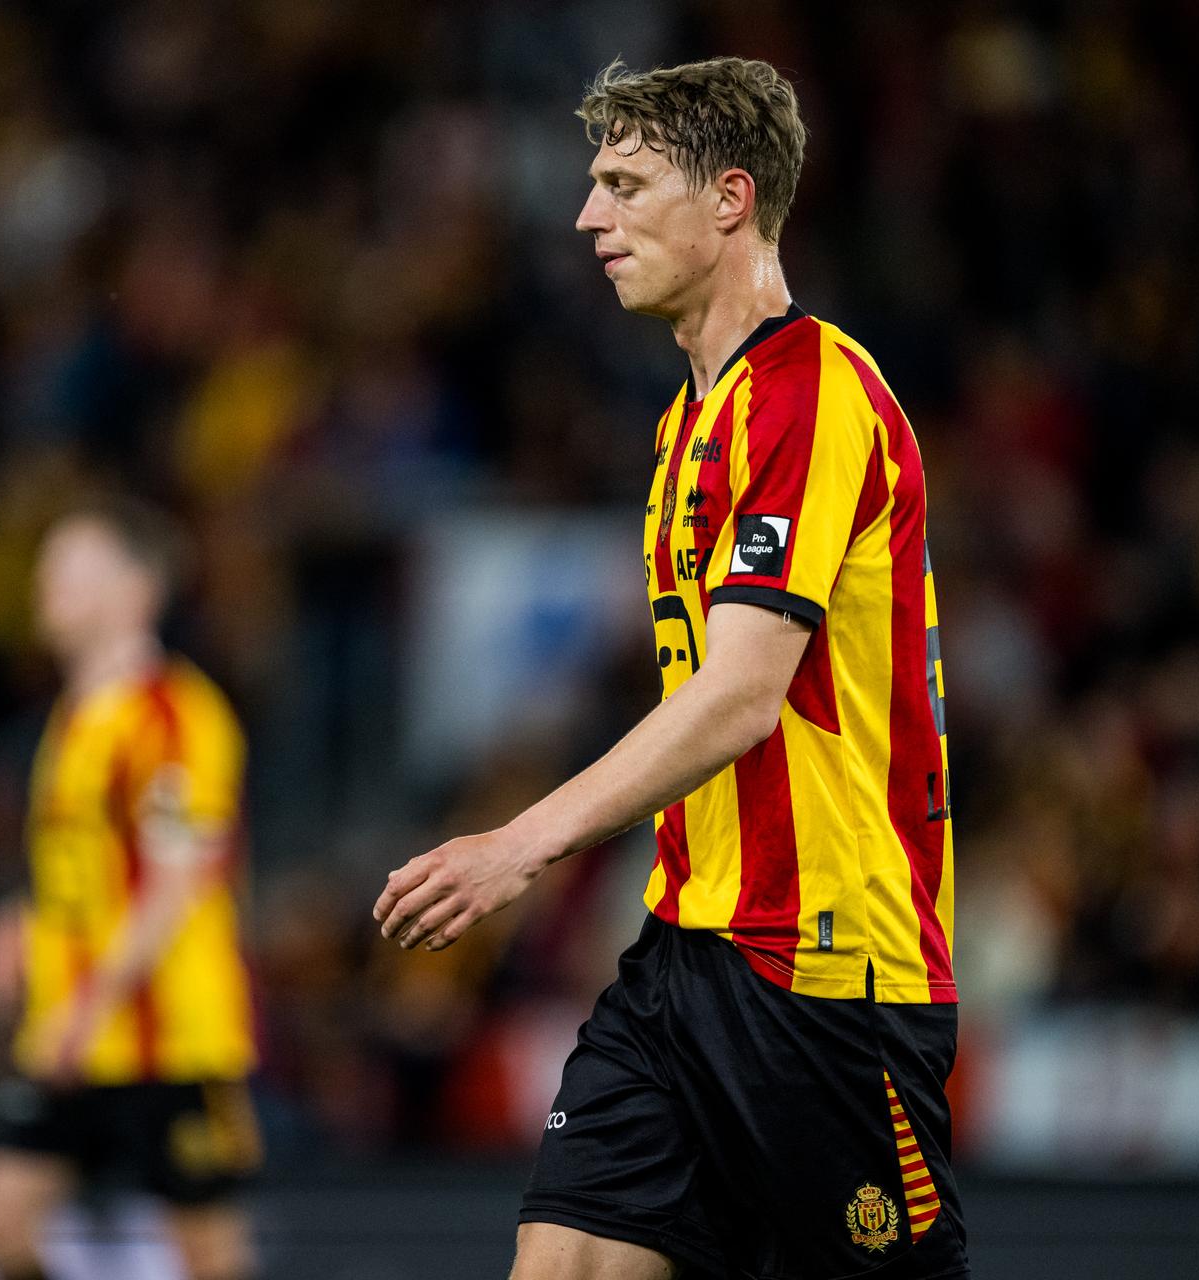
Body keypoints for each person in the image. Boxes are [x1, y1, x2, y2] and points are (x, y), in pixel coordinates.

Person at [375, 57, 967, 1279]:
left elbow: (743, 694)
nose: (589, 216)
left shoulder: (812, 393)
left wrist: (518, 845)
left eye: (626, 185)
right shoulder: (688, 421)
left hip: (825, 969)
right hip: (686, 949)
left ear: (731, 198)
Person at [0, 498, 263, 1280]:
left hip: (168, 1036)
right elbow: (86, 867)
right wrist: (22, 920)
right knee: (0, 1217)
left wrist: (88, 1004)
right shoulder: (74, 717)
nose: (44, 584)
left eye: (69, 569)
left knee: (211, 1259)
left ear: (137, 589)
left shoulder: (174, 714)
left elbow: (177, 882)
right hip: (72, 1033)